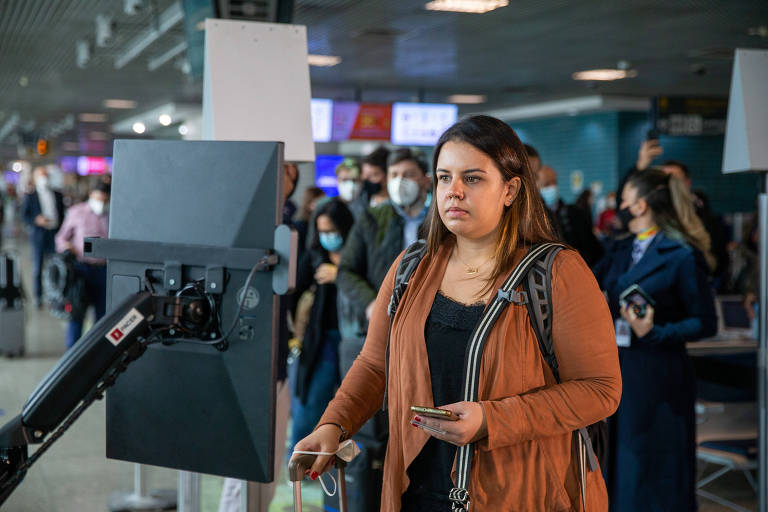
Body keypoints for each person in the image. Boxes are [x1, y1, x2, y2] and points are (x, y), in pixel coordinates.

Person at [292, 115, 622, 510]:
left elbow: (599, 389)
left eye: (473, 178)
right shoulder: (412, 267)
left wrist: (491, 419)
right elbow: (376, 364)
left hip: (519, 493)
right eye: (444, 178)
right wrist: (334, 424)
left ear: (511, 189)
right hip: (416, 492)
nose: (454, 191)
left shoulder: (556, 272)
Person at [592, 168, 717, 511]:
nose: (618, 207)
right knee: (619, 463)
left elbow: (705, 323)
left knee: (655, 467)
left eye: (624, 200)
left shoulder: (681, 255)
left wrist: (655, 332)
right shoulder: (619, 250)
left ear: (641, 205)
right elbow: (589, 282)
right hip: (618, 371)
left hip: (660, 376)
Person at [333, 147, 432, 510]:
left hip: (427, 336)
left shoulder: (441, 219)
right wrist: (372, 303)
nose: (399, 182)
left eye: (408, 174)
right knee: (374, 430)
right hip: (380, 333)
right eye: (393, 175)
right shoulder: (373, 219)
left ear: (426, 180)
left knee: (420, 426)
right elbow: (346, 271)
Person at [287, 198, 355, 462]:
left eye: (332, 231)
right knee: (312, 402)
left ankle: (350, 471)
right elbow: (293, 294)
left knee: (353, 405)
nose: (328, 237)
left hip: (355, 338)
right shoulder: (314, 256)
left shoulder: (358, 254)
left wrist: (340, 275)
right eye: (323, 231)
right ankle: (301, 462)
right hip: (321, 338)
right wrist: (294, 335)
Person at [54, 182, 110, 348]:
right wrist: (66, 247)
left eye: (104, 199)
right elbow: (60, 238)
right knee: (76, 314)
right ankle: (72, 352)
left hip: (105, 270)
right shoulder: (77, 212)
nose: (101, 203)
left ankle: (97, 351)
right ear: (91, 195)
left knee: (103, 316)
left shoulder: (112, 214)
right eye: (98, 198)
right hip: (81, 269)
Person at [536, 164, 604, 266]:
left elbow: (594, 248)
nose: (552, 187)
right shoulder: (535, 219)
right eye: (546, 184)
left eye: (554, 182)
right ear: (536, 186)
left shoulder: (574, 213)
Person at [21, 166, 65, 307]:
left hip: (54, 234)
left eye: (45, 175)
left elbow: (62, 215)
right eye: (41, 175)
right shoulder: (30, 196)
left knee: (55, 266)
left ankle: (54, 296)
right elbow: (24, 216)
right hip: (39, 236)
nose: (44, 178)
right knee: (38, 267)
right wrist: (36, 220)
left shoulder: (57, 195)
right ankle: (38, 297)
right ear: (35, 178)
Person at [349, 146, 390, 218]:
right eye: (364, 175)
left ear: (388, 175)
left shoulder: (398, 207)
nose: (366, 180)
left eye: (372, 175)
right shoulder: (359, 202)